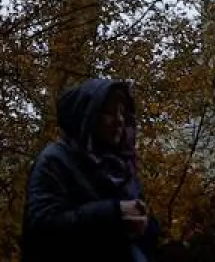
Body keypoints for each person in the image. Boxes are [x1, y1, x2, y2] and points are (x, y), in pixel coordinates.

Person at [22, 78, 159, 262]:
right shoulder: (56, 160)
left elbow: (143, 236)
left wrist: (147, 225)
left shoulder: (122, 166)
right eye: (109, 112)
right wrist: (113, 214)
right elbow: (42, 229)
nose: (119, 120)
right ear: (87, 115)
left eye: (122, 112)